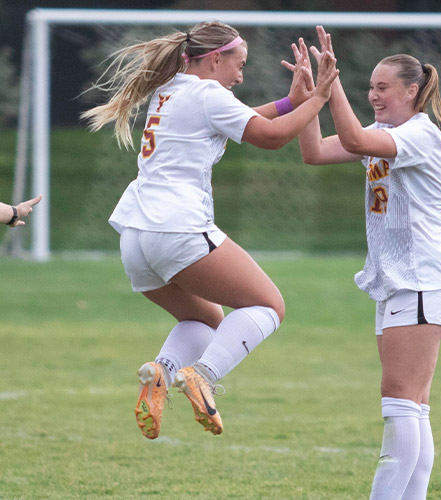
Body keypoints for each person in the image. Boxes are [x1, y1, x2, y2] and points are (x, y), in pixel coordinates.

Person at [82, 21, 338, 439]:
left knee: (205, 320)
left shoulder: (171, 91)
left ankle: (161, 374)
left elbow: (239, 120)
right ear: (216, 58)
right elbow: (270, 138)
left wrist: (292, 103)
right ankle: (203, 374)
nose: (241, 75)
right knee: (269, 306)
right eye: (239, 64)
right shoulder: (207, 94)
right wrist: (320, 97)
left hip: (135, 235)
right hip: (176, 227)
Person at [295, 26, 441, 499]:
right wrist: (310, 95)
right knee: (412, 406)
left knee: (399, 406)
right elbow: (314, 152)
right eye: (369, 87)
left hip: (422, 280)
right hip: (399, 282)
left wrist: (332, 90)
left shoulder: (421, 134)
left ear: (413, 91)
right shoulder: (385, 131)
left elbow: (351, 136)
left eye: (381, 87)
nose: (373, 95)